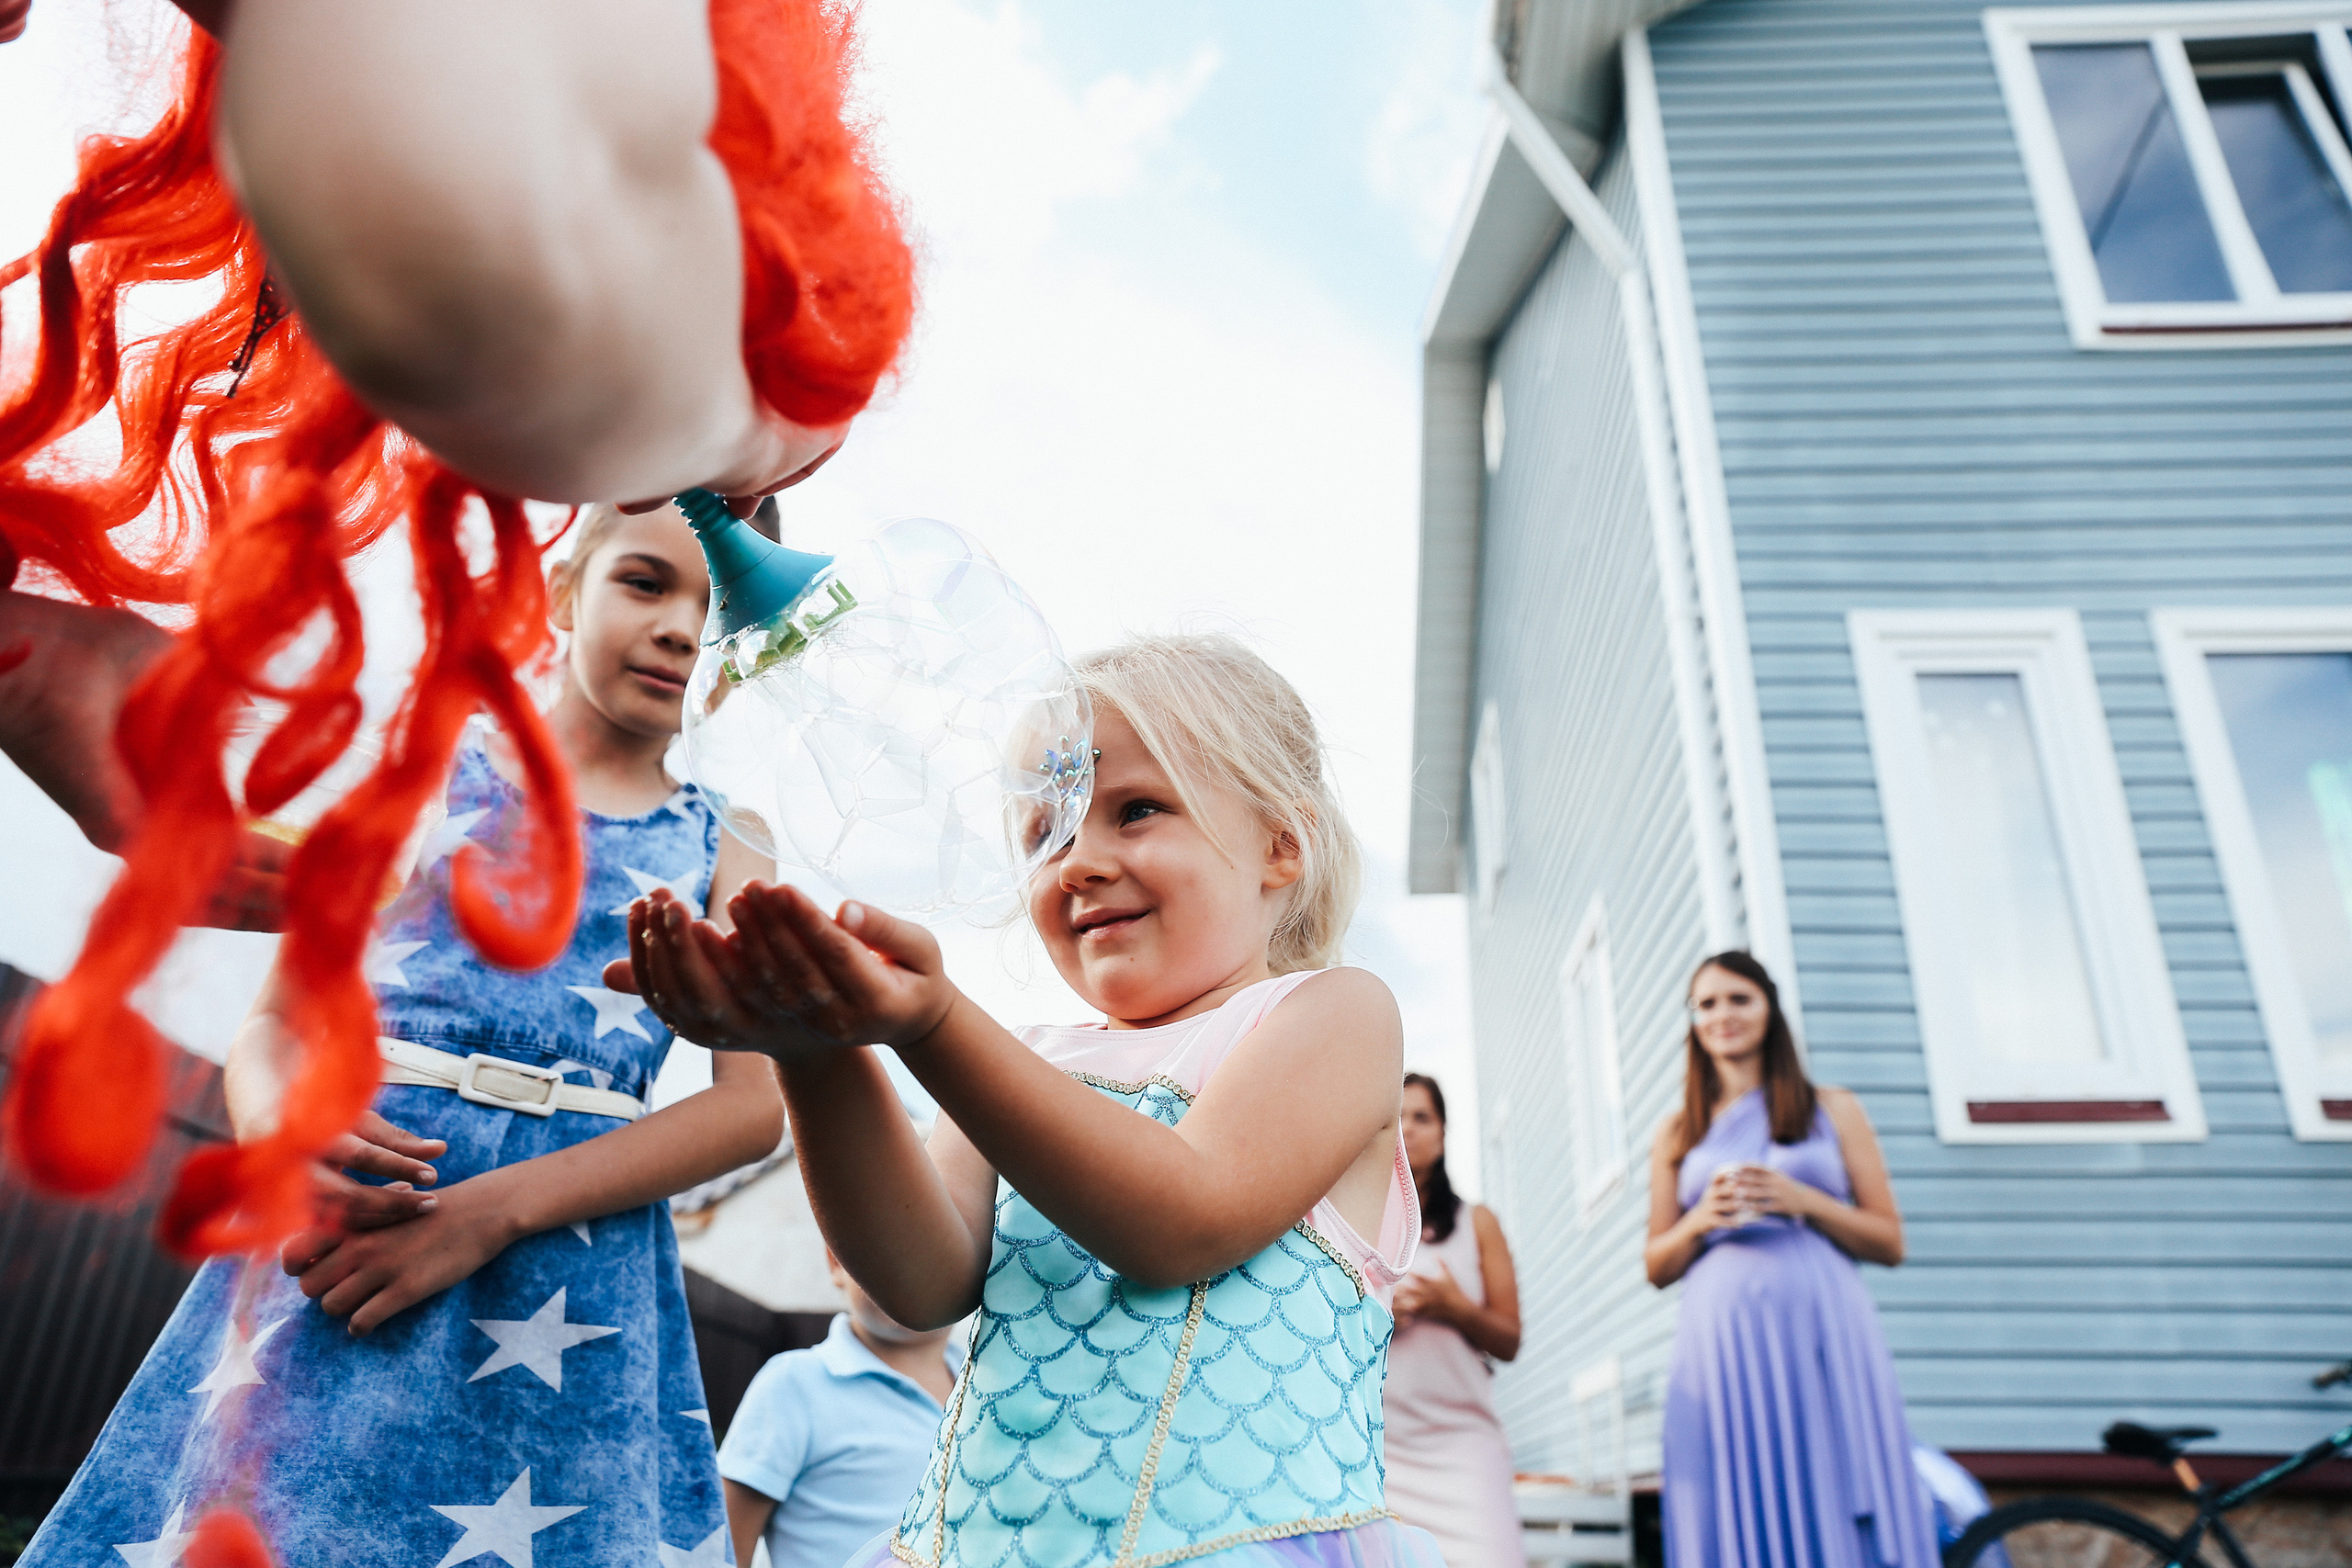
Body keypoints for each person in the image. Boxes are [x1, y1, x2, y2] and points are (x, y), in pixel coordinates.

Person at [19, 500, 786, 1568]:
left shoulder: (733, 845)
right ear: (565, 591)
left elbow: (753, 1105)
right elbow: (276, 1028)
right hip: (351, 1234)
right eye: (647, 582)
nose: (681, 629)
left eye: (719, 610)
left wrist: (495, 1211)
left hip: (573, 1279)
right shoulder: (425, 772)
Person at [610, 632, 1448, 1568]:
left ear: (1279, 845)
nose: (1077, 860)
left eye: (1135, 811)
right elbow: (919, 1285)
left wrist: (933, 1026)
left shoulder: (1329, 1014)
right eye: (1045, 830)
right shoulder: (1022, 1064)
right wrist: (814, 1052)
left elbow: (1183, 1217)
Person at [1645, 951, 1936, 1568]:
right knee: (1739, 1480)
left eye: (1739, 998)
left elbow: (1890, 1241)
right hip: (1722, 1344)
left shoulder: (1832, 1107)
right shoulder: (1677, 1131)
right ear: (1693, 1020)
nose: (1723, 1014)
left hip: (1821, 1329)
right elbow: (1657, 1264)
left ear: (1770, 1009)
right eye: (1708, 1003)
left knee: (1830, 1470)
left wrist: (1806, 1200)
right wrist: (1702, 1218)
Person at [719, 1253, 962, 1568]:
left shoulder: (990, 1389)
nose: (911, 1263)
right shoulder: (794, 1383)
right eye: (881, 1247)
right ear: (836, 1262)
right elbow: (723, 1549)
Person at [1384, 1073, 1524, 1568]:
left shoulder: (1477, 1222)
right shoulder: (1361, 1225)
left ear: (1444, 1132)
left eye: (1422, 1117)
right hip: (1384, 1453)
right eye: (1398, 1115)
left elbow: (1510, 1340)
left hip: (1463, 1447)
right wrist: (1379, 1316)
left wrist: (1454, 1308)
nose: (1409, 1128)